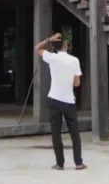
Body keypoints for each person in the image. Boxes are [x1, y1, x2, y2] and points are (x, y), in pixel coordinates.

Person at [36, 33, 85, 171]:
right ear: (65, 46)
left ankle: (60, 163)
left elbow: (37, 48)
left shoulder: (52, 58)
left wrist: (49, 40)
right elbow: (76, 83)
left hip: (54, 99)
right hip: (69, 101)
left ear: (55, 47)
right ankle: (78, 163)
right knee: (74, 133)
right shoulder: (74, 60)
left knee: (56, 133)